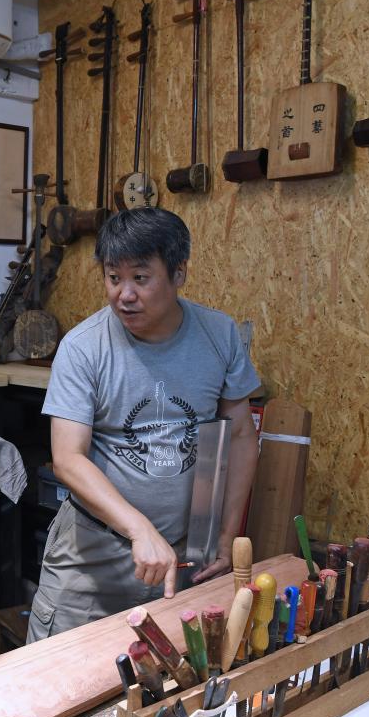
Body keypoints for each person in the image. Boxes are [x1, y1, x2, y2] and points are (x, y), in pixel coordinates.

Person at [27, 208, 262, 642]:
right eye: (113, 278)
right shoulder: (83, 347)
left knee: (169, 672)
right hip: (92, 558)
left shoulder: (219, 334)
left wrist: (227, 534)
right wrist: (139, 530)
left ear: (178, 273)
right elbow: (68, 459)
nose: (125, 294)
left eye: (140, 277)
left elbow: (242, 436)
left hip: (184, 553)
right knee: (63, 670)